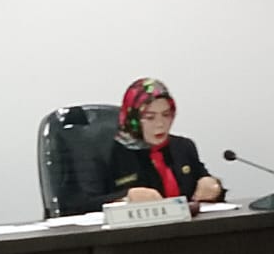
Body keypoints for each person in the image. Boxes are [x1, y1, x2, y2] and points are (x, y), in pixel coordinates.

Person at [70, 77, 225, 213]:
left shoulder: (183, 147)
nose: (160, 124)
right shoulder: (106, 154)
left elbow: (205, 185)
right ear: (133, 118)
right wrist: (125, 198)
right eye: (150, 117)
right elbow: (81, 205)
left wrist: (213, 186)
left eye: (166, 115)